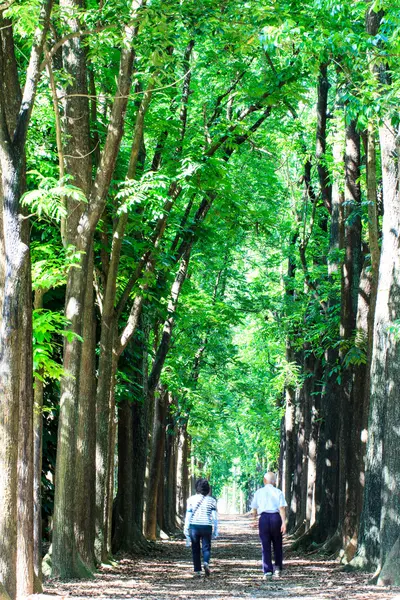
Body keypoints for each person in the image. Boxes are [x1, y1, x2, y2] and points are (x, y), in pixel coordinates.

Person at [250, 471, 287, 580]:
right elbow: (282, 508)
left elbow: (254, 509)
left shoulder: (258, 492)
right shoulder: (278, 492)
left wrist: (254, 519)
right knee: (277, 543)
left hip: (264, 518)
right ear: (274, 482)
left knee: (265, 545)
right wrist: (284, 522)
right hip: (276, 518)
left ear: (264, 480)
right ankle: (278, 568)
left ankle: (267, 571)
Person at [184, 478, 218, 577]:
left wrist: (186, 528)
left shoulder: (191, 499)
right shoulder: (212, 500)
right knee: (206, 548)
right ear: (207, 489)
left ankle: (197, 571)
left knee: (195, 549)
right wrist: (215, 529)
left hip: (194, 527)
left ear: (197, 488)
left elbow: (188, 515)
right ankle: (206, 562)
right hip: (207, 526)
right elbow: (215, 517)